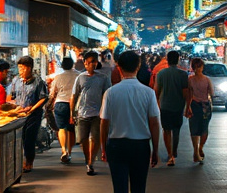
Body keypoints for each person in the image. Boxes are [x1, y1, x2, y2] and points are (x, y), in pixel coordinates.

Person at [100, 50, 161, 193]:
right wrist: (155, 150)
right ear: (138, 67)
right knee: (139, 187)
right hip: (140, 147)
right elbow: (154, 123)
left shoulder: (110, 93)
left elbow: (104, 122)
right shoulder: (148, 93)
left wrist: (104, 148)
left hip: (116, 146)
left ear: (119, 68)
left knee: (119, 188)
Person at [71, 50, 112, 176]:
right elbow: (74, 96)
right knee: (83, 139)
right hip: (82, 114)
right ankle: (87, 159)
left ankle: (90, 162)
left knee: (95, 139)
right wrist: (71, 113)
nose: (92, 65)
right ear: (85, 63)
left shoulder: (103, 78)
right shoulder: (80, 78)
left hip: (97, 115)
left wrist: (107, 112)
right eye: (89, 62)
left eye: (94, 62)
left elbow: (107, 95)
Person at [7, 56, 49, 173]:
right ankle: (19, 161)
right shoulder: (16, 80)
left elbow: (44, 98)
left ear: (29, 68)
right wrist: (11, 106)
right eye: (19, 68)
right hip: (19, 115)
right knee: (19, 139)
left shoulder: (38, 81)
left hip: (33, 115)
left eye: (23, 68)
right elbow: (12, 96)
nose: (20, 71)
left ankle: (29, 162)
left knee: (29, 139)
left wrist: (32, 109)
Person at [154, 50, 190, 166]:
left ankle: (170, 155)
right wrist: (187, 106)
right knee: (176, 130)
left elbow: (157, 91)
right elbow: (185, 92)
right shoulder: (183, 74)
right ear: (178, 59)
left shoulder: (161, 73)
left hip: (165, 106)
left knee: (166, 130)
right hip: (178, 106)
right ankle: (174, 152)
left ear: (167, 60)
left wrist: (156, 105)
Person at [48, 56, 80, 163]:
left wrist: (49, 103)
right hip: (74, 105)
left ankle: (63, 150)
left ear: (62, 66)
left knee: (61, 128)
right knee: (71, 129)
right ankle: (69, 152)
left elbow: (53, 93)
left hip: (60, 103)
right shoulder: (78, 75)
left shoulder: (58, 77)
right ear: (73, 64)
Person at [187, 58, 214, 164]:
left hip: (202, 106)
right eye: (197, 67)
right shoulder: (192, 80)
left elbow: (211, 93)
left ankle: (199, 148)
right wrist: (187, 107)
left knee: (203, 129)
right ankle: (196, 151)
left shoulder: (206, 80)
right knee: (196, 129)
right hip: (197, 105)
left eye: (200, 66)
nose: (198, 69)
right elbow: (189, 95)